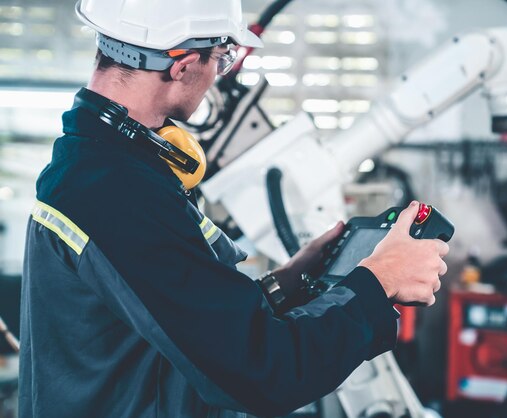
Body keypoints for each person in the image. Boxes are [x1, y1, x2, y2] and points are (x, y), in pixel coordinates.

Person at [18, 1, 449, 417]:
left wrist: (290, 280)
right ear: (183, 64)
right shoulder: (118, 191)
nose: (217, 76)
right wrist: (379, 281)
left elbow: (182, 319)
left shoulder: (93, 166)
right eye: (221, 59)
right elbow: (264, 372)